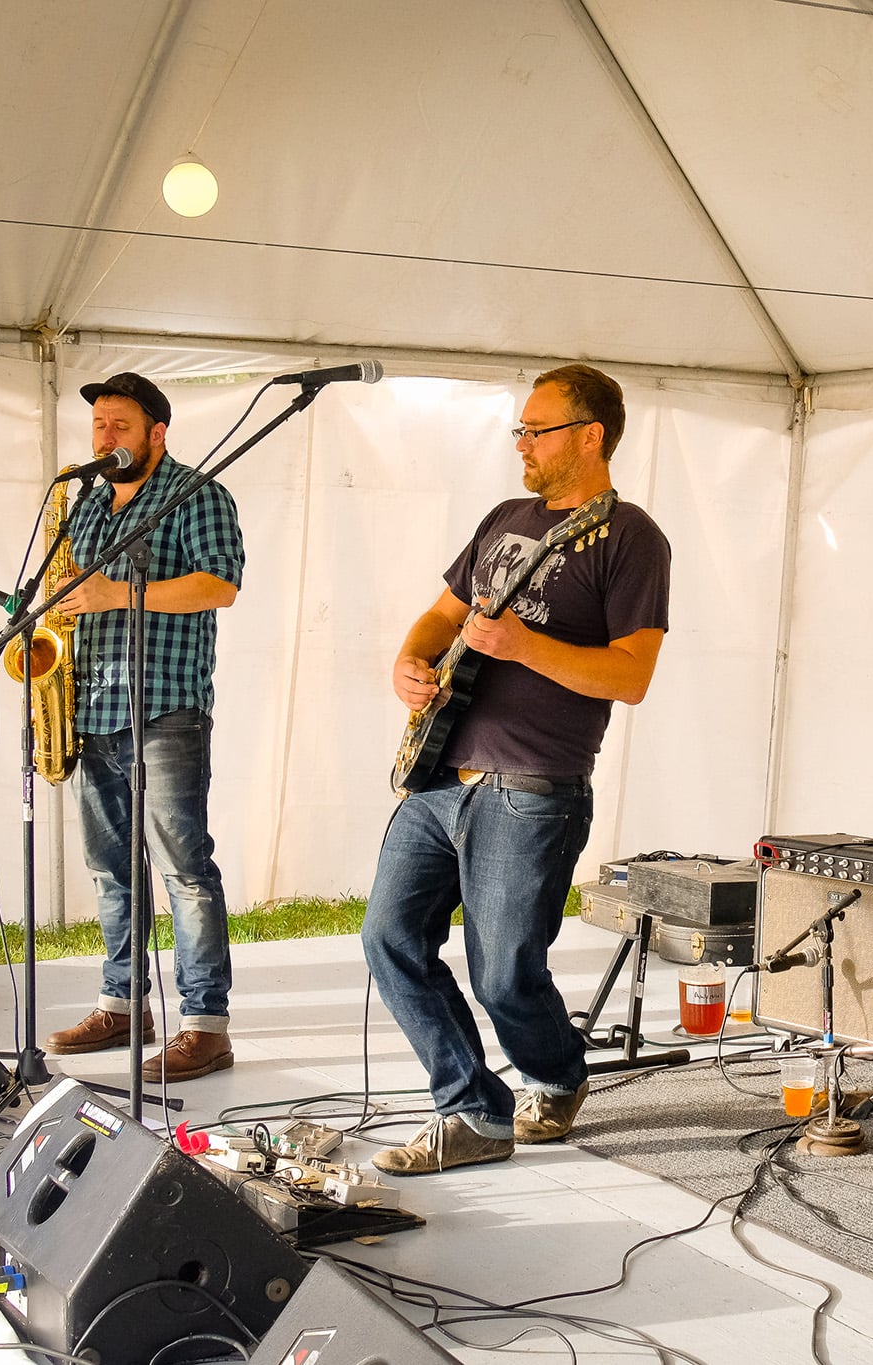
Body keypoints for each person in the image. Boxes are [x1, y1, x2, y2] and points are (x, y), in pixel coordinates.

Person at [364, 364, 669, 1176]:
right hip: (441, 775)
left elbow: (631, 675)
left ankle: (557, 1072)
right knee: (389, 937)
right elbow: (442, 615)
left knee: (504, 976)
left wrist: (524, 644)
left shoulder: (630, 537)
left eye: (538, 429)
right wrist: (409, 660)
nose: (522, 443)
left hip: (533, 787)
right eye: (521, 430)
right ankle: (471, 1108)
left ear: (590, 436)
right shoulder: (505, 519)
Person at [42, 372, 245, 1083]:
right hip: (92, 707)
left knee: (184, 870)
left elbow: (219, 584)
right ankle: (123, 1003)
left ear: (157, 432)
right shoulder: (87, 505)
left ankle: (205, 1026)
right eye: (99, 425)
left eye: (120, 425)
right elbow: (74, 596)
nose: (105, 438)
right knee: (110, 870)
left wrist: (116, 592)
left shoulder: (198, 493)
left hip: (164, 708)